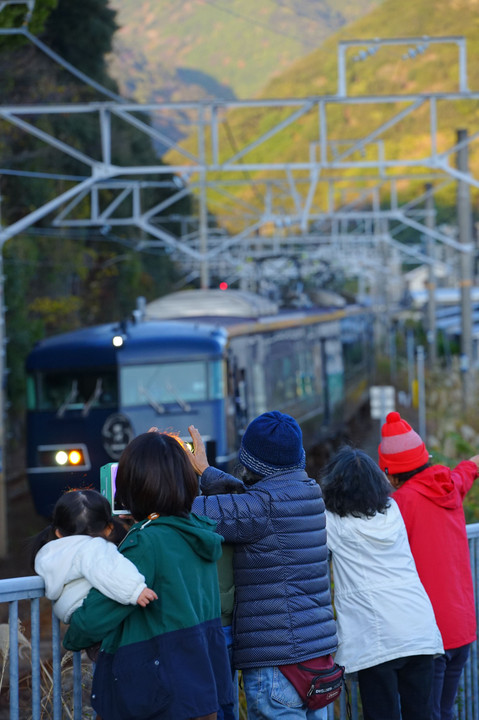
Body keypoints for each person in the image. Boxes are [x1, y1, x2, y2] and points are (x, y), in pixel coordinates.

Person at [63, 432, 234, 720]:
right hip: (201, 693)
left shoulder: (146, 543)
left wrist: (74, 634)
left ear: (132, 484)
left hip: (156, 698)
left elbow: (95, 618)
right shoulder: (199, 532)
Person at [186, 410, 338, 720]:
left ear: (251, 462)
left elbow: (189, 511)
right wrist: (205, 471)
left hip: (277, 664)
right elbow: (243, 500)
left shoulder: (260, 507)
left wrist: (153, 474)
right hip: (315, 660)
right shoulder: (310, 492)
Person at [320, 446, 444, 720]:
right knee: (421, 715)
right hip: (418, 629)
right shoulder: (393, 512)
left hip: (378, 640)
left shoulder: (333, 524)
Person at [378, 411, 479, 720]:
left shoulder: (399, 505)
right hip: (462, 627)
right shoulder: (449, 484)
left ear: (391, 472)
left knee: (426, 714)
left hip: (427, 633)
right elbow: (469, 468)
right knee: (443, 712)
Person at [31, 489, 157, 624]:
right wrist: (135, 590)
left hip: (68, 611)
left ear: (58, 533)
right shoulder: (93, 546)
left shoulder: (49, 553)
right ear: (109, 528)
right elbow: (109, 569)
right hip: (88, 607)